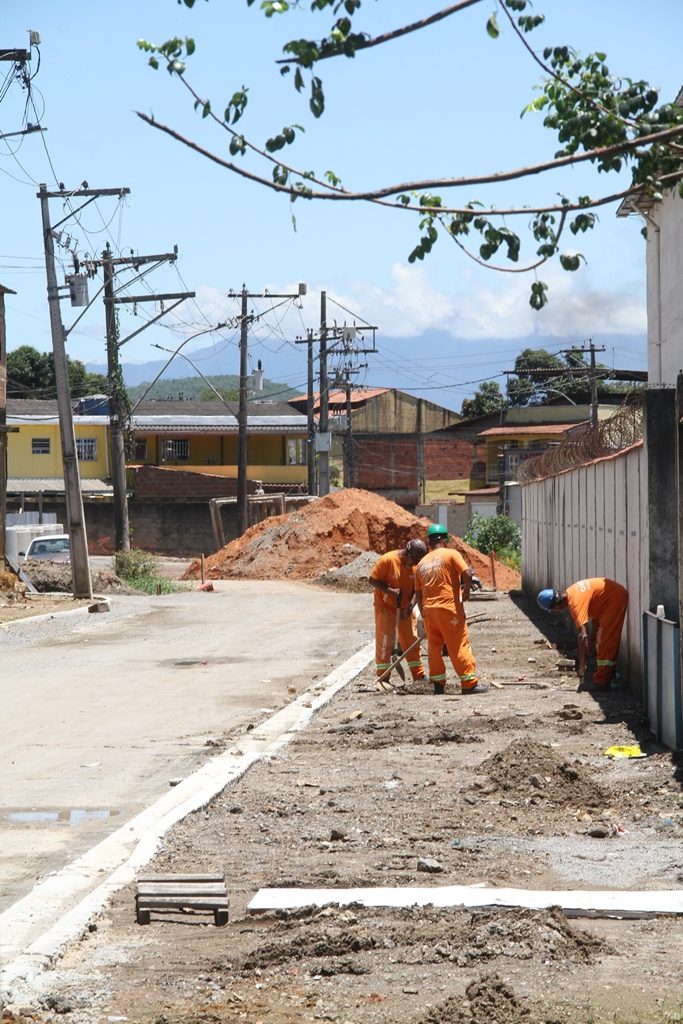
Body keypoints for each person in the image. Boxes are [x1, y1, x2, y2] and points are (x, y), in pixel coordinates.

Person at [414, 523, 483, 695]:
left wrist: (424, 614)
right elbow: (467, 573)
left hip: (430, 611)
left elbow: (418, 593)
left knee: (434, 647)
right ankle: (468, 683)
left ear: (429, 542)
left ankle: (438, 684)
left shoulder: (421, 564)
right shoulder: (451, 554)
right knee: (458, 644)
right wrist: (466, 591)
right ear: (445, 540)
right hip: (449, 609)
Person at [537, 578, 628, 688]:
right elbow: (596, 613)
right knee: (601, 640)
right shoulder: (571, 592)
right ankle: (610, 675)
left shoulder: (574, 603)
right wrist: (592, 640)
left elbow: (582, 635)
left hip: (615, 599)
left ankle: (602, 682)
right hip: (610, 598)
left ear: (556, 605)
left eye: (553, 610)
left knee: (605, 642)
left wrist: (582, 665)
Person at [369, 539, 428, 687]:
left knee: (411, 639)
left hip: (404, 607)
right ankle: (383, 676)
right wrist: (391, 591)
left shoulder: (415, 566)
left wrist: (410, 606)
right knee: (385, 640)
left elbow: (417, 590)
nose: (413, 565)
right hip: (385, 606)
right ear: (407, 553)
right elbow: (372, 580)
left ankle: (418, 675)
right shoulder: (388, 560)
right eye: (412, 561)